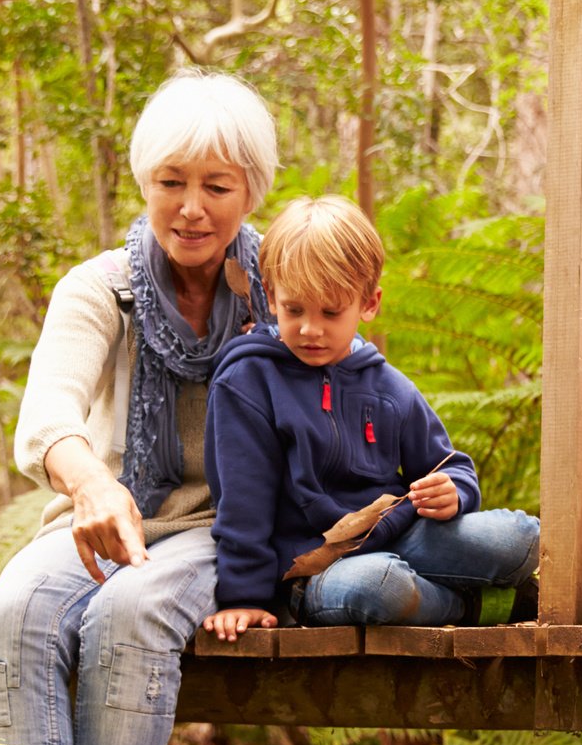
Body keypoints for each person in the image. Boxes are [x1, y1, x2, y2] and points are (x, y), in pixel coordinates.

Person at [0, 69, 279, 745]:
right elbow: (47, 413)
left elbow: (340, 387)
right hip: (106, 511)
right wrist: (89, 481)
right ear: (144, 180)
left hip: (234, 527)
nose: (190, 207)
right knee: (11, 613)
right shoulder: (102, 286)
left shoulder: (280, 284)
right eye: (170, 180)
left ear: (249, 193)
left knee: (131, 613)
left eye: (216, 186)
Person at [200, 194, 539, 637]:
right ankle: (480, 605)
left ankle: (469, 593)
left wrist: (453, 491)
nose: (310, 329)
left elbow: (447, 465)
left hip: (400, 535)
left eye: (331, 312)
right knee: (380, 584)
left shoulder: (387, 385)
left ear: (369, 303)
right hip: (314, 569)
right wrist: (244, 597)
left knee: (522, 537)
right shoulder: (248, 382)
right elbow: (243, 503)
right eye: (294, 309)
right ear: (270, 295)